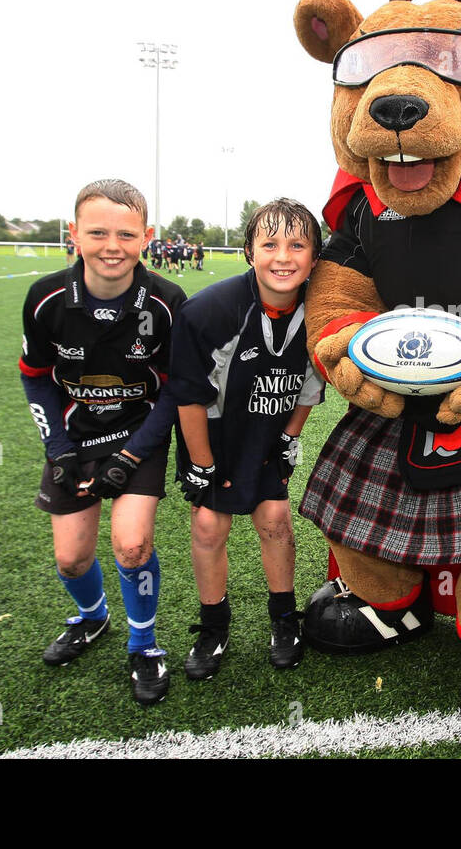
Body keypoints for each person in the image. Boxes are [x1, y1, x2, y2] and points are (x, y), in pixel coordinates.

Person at [19, 179, 187, 706]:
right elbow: (35, 375)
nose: (111, 245)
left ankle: (144, 645)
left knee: (132, 545)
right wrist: (59, 448)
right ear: (74, 234)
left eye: (125, 233)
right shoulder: (46, 298)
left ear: (147, 237)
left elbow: (177, 390)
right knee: (71, 559)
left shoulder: (165, 301)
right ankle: (92, 620)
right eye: (97, 232)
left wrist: (134, 454)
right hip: (73, 438)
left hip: (141, 434)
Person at [168, 199, 325, 676]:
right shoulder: (212, 311)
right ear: (249, 252)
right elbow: (191, 396)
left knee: (275, 518)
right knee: (209, 526)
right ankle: (214, 625)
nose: (283, 257)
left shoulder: (319, 312)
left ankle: (284, 618)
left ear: (314, 258)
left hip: (265, 434)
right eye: (270, 244)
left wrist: (289, 439)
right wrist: (201, 463)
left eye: (297, 245)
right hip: (213, 436)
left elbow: (308, 384)